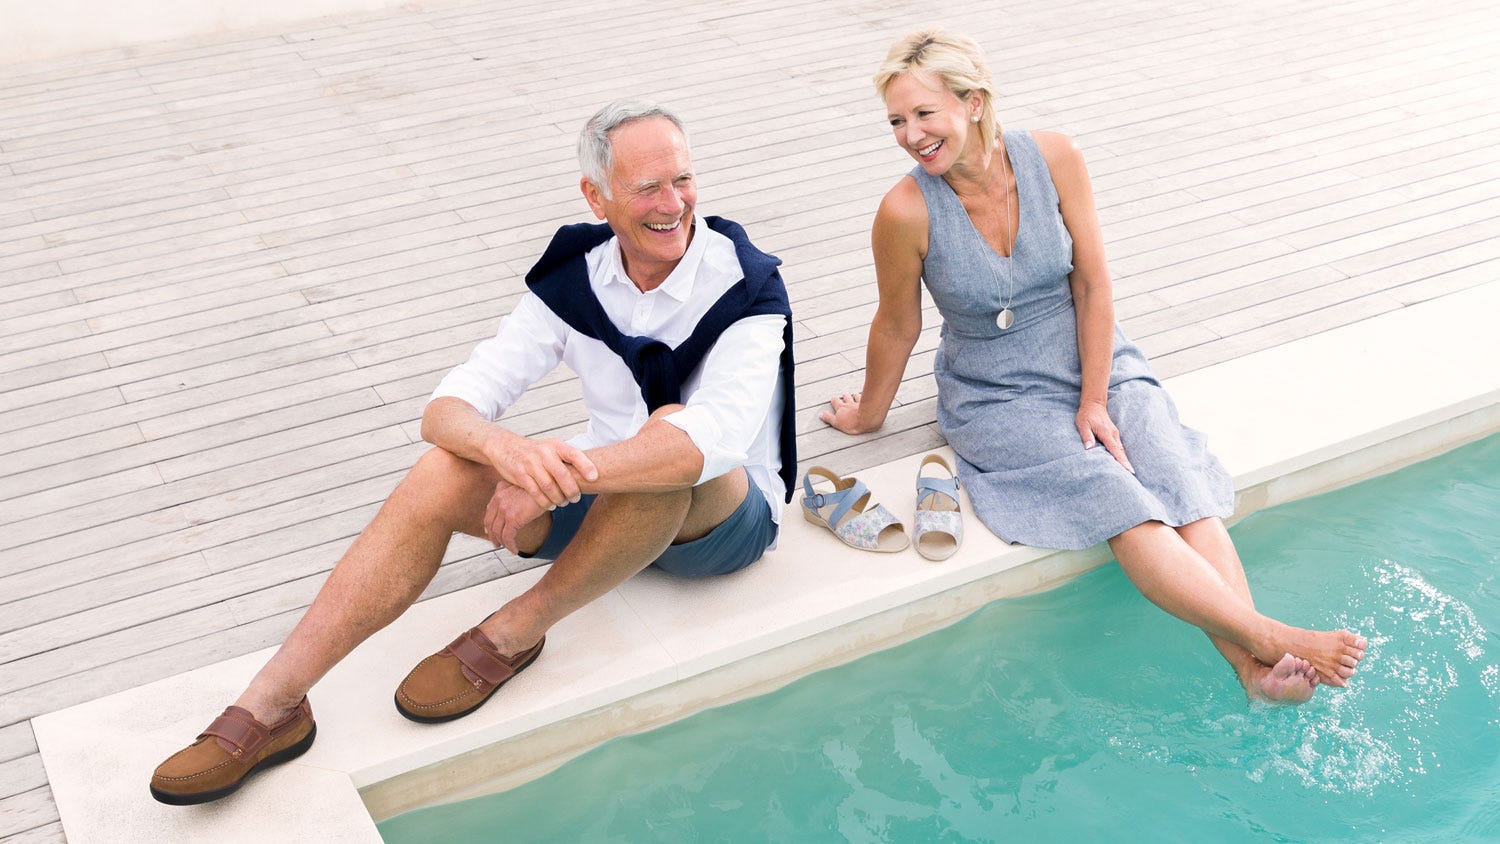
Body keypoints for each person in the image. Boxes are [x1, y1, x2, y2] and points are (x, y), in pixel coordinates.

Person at [150, 100, 796, 805]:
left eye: (683, 180)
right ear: (596, 196)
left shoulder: (747, 282)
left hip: (722, 519)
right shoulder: (576, 277)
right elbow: (449, 407)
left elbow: (715, 439)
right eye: (648, 188)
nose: (674, 204)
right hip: (608, 507)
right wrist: (509, 453)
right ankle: (272, 705)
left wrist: (560, 479)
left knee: (666, 439)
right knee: (442, 468)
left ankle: (514, 632)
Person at [820, 28, 1366, 704]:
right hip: (995, 392)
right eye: (897, 121)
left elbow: (1094, 282)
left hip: (1090, 353)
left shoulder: (1053, 156)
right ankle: (1267, 641)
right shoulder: (903, 211)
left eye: (924, 114)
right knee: (1117, 498)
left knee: (1170, 473)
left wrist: (1096, 398)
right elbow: (897, 323)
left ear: (974, 102)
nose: (909, 135)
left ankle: (1253, 670)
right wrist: (869, 413)